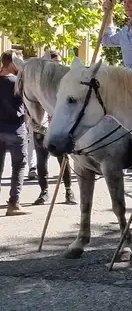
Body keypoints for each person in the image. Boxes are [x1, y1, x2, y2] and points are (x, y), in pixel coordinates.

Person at [28, 50, 75, 206]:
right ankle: (44, 192)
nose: (58, 66)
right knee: (42, 161)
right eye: (54, 63)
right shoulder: (39, 83)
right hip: (41, 127)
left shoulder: (66, 81)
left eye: (59, 62)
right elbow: (31, 103)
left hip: (59, 128)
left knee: (64, 159)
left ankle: (69, 191)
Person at [1, 51, 29, 216]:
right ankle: (14, 204)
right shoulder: (17, 82)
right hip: (16, 130)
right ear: (12, 63)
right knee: (18, 167)